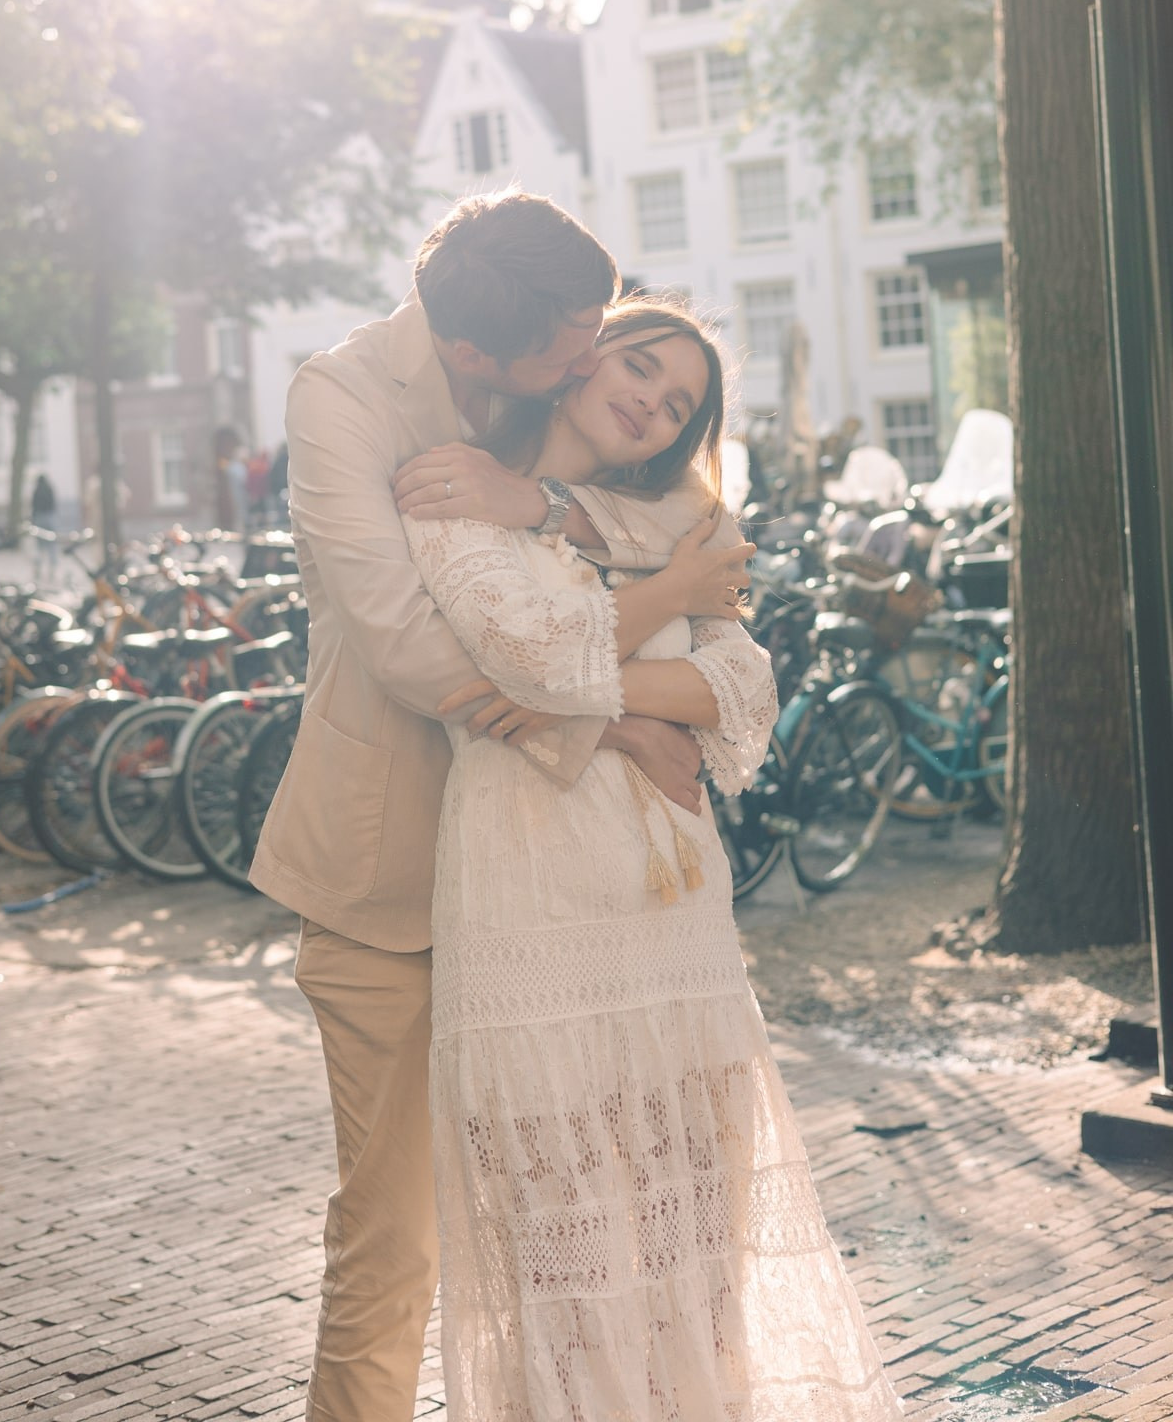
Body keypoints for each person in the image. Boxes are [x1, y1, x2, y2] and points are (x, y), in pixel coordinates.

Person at [250, 194, 748, 1422]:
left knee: (591, 1238)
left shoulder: (555, 381)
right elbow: (411, 645)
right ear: (477, 358)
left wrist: (555, 516)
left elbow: (680, 554)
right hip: (393, 884)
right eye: (577, 347)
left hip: (564, 903)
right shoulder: (348, 401)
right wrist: (621, 717)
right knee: (395, 1242)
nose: (596, 359)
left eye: (602, 330)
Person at [402, 296, 903, 1420]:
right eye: (637, 365)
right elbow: (523, 650)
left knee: (698, 1241)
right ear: (576, 361)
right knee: (566, 1266)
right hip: (532, 913)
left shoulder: (683, 515)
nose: (649, 400)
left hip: (674, 925)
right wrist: (659, 631)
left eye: (676, 400)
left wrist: (580, 693)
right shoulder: (456, 489)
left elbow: (745, 693)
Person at [29, 474, 60, 584]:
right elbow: (54, 504)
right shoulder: (49, 489)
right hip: (50, 518)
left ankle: (38, 569)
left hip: (39, 518)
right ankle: (53, 569)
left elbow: (33, 506)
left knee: (39, 547)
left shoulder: (36, 491)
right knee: (52, 546)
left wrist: (32, 521)